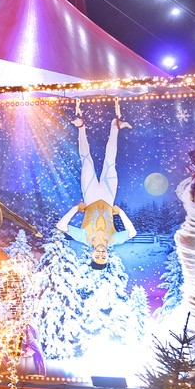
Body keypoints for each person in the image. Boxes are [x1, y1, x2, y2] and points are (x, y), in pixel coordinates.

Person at [56, 99, 137, 269]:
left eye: (97, 257)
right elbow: (132, 233)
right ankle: (116, 126)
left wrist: (75, 209)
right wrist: (120, 213)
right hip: (108, 197)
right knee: (110, 161)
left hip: (91, 196)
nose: (101, 253)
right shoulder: (114, 240)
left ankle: (81, 127)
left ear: (91, 255)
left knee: (86, 162)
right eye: (104, 257)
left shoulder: (83, 237)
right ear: (108, 256)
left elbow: (61, 226)